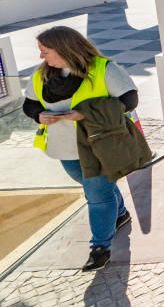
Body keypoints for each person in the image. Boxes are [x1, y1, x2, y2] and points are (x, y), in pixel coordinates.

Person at [22, 26, 139, 272]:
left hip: (100, 145)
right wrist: (39, 115)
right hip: (64, 148)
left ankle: (100, 248)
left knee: (96, 196)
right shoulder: (41, 76)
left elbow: (129, 101)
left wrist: (85, 114)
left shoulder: (104, 69)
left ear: (64, 48)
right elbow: (29, 105)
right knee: (90, 185)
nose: (42, 56)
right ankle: (120, 214)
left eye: (45, 50)